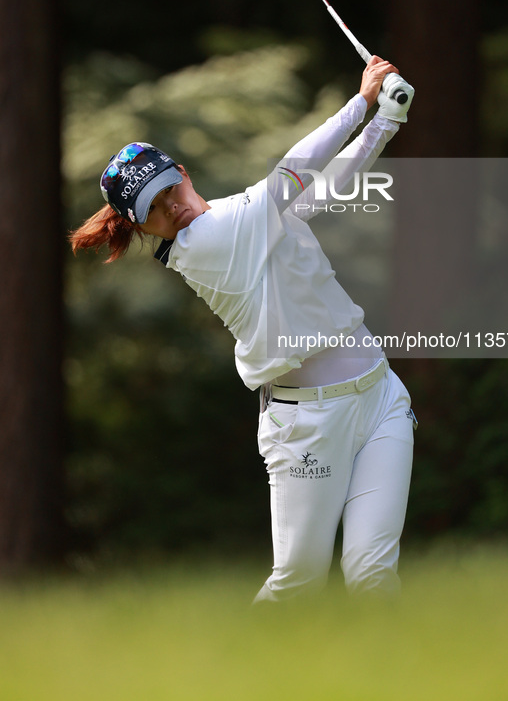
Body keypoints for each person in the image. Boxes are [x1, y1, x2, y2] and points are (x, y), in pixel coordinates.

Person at [70, 55, 416, 602]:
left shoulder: (245, 213)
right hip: (307, 425)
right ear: (142, 228)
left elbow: (324, 189)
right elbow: (295, 171)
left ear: (183, 173)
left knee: (372, 574)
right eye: (155, 212)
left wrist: (387, 121)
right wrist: (363, 102)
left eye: (170, 192)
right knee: (298, 581)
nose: (173, 211)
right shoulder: (201, 245)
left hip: (379, 397)